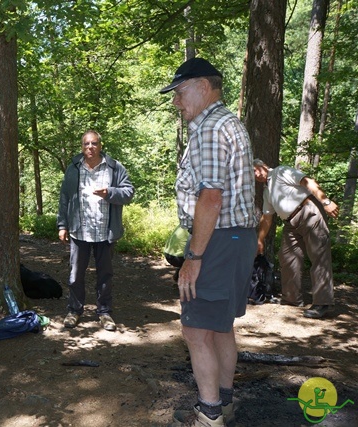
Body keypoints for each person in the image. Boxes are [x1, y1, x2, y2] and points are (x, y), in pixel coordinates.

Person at [159, 57, 257, 427]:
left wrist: (194, 256)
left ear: (203, 86)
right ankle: (224, 403)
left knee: (195, 329)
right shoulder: (227, 123)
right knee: (220, 326)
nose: (175, 102)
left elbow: (211, 198)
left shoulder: (211, 129)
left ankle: (210, 413)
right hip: (233, 238)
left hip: (217, 240)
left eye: (180, 92)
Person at [57, 130, 135, 332]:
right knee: (75, 275)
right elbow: (64, 198)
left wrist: (110, 193)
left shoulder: (114, 167)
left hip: (105, 232)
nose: (89, 147)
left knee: (105, 275)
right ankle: (74, 310)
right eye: (86, 144)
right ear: (81, 146)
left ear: (100, 145)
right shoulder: (74, 168)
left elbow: (128, 192)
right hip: (79, 231)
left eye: (93, 143)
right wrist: (62, 225)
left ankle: (104, 312)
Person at [253, 159, 338, 319]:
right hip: (291, 223)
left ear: (263, 166)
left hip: (308, 211)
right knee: (286, 257)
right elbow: (267, 217)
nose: (255, 176)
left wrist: (325, 201)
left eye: (255, 171)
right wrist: (260, 239)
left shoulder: (281, 172)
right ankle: (291, 299)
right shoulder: (267, 190)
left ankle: (323, 303)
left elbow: (308, 181)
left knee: (319, 257)